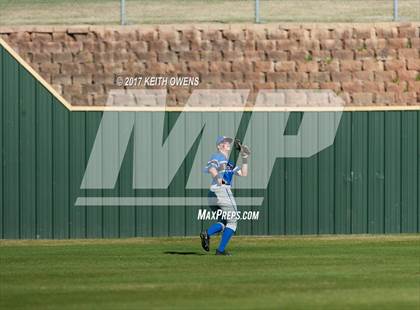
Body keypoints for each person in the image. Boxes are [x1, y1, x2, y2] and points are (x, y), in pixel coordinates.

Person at [200, 136, 249, 256]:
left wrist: (245, 158)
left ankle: (207, 233)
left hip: (213, 194)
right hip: (221, 191)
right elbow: (212, 169)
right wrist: (221, 182)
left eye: (228, 142)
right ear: (218, 146)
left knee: (224, 220)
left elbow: (243, 173)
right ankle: (220, 250)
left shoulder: (229, 164)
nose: (227, 143)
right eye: (224, 142)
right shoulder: (217, 156)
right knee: (233, 221)